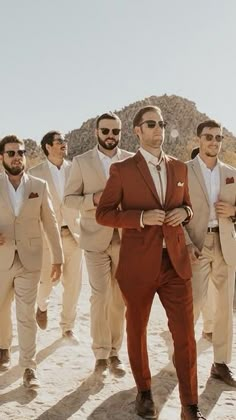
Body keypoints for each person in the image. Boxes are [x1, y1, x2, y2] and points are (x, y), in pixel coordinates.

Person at [96, 106, 206, 420]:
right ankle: (144, 391)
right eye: (151, 124)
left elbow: (189, 208)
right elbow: (104, 214)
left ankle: (190, 405)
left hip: (175, 264)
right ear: (137, 131)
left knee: (185, 335)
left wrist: (184, 214)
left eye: (161, 123)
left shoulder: (179, 168)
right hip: (137, 266)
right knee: (137, 330)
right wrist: (140, 218)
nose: (158, 129)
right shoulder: (122, 169)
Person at [64, 112, 132, 377]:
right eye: (105, 131)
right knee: (100, 295)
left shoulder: (131, 160)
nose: (110, 136)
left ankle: (116, 352)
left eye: (115, 131)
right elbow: (69, 199)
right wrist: (93, 199)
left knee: (119, 300)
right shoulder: (81, 162)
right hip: (94, 239)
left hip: (126, 239)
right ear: (96, 132)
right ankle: (101, 353)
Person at [0, 135, 63, 387]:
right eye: (12, 153)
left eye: (21, 153)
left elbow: (51, 222)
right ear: (1, 157)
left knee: (25, 314)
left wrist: (57, 258)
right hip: (1, 260)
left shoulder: (39, 185)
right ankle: (3, 345)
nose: (17, 157)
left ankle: (28, 367)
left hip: (30, 260)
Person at [185, 120, 236, 387]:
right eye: (208, 137)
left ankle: (220, 364)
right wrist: (185, 244)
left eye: (218, 137)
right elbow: (174, 209)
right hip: (196, 243)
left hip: (225, 244)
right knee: (192, 304)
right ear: (199, 139)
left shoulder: (232, 172)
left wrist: (235, 212)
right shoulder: (183, 171)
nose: (214, 142)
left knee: (225, 307)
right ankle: (183, 360)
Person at [29, 131, 82, 342]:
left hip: (74, 234)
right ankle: (41, 306)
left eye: (64, 141)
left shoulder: (76, 170)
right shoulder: (34, 173)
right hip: (47, 238)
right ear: (48, 147)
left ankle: (67, 327)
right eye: (59, 141)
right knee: (46, 282)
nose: (64, 144)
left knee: (73, 285)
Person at [190, 146, 215, 341]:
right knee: (197, 295)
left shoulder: (221, 175)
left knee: (213, 294)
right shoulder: (186, 175)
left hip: (220, 241)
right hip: (196, 241)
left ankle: (209, 329)